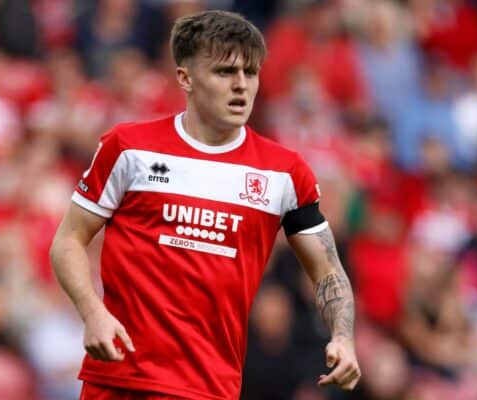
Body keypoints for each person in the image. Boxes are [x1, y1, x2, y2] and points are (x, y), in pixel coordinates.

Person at [49, 10, 360, 400]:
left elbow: (327, 269)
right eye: (226, 72)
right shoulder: (129, 148)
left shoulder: (284, 173)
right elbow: (68, 240)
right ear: (186, 77)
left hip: (209, 386)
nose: (241, 86)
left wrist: (343, 337)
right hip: (119, 378)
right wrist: (92, 313)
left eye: (251, 72)